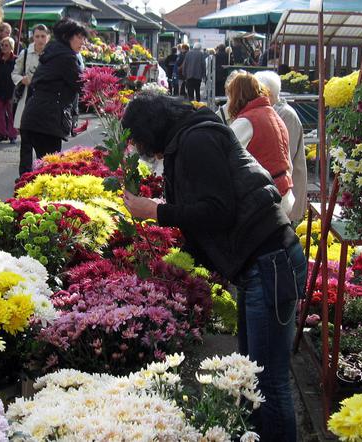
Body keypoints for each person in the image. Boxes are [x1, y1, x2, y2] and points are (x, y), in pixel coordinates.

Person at [120, 94, 306, 442]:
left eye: (141, 141)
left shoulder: (197, 140)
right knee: (251, 374)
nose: (144, 151)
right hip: (258, 263)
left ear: (152, 129)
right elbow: (204, 215)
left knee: (268, 380)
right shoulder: (188, 137)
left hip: (269, 262)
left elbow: (218, 211)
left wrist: (156, 212)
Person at [226, 71, 295, 216]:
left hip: (265, 198)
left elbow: (223, 156)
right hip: (284, 192)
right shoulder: (274, 115)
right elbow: (289, 163)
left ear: (236, 96)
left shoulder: (247, 121)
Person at [19, 18, 87, 165]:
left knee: (31, 168)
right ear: (66, 36)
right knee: (49, 168)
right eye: (79, 37)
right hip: (47, 121)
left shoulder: (52, 52)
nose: (83, 42)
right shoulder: (66, 57)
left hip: (32, 116)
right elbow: (83, 86)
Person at [256, 70, 307, 223]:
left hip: (287, 196)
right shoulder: (272, 111)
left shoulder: (285, 115)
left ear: (267, 93)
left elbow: (284, 158)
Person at [12, 23, 50, 176]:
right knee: (26, 144)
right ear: (33, 37)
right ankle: (25, 175)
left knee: (43, 144)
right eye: (37, 36)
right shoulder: (26, 53)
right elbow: (14, 74)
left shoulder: (52, 54)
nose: (40, 40)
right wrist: (22, 79)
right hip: (27, 101)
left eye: (43, 36)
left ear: (48, 37)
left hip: (45, 103)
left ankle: (43, 174)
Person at [0, 36, 18, 143]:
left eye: (6, 45)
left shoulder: (16, 60)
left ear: (11, 47)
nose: (4, 47)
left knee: (11, 114)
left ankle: (12, 135)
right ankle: (2, 134)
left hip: (11, 91)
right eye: (2, 45)